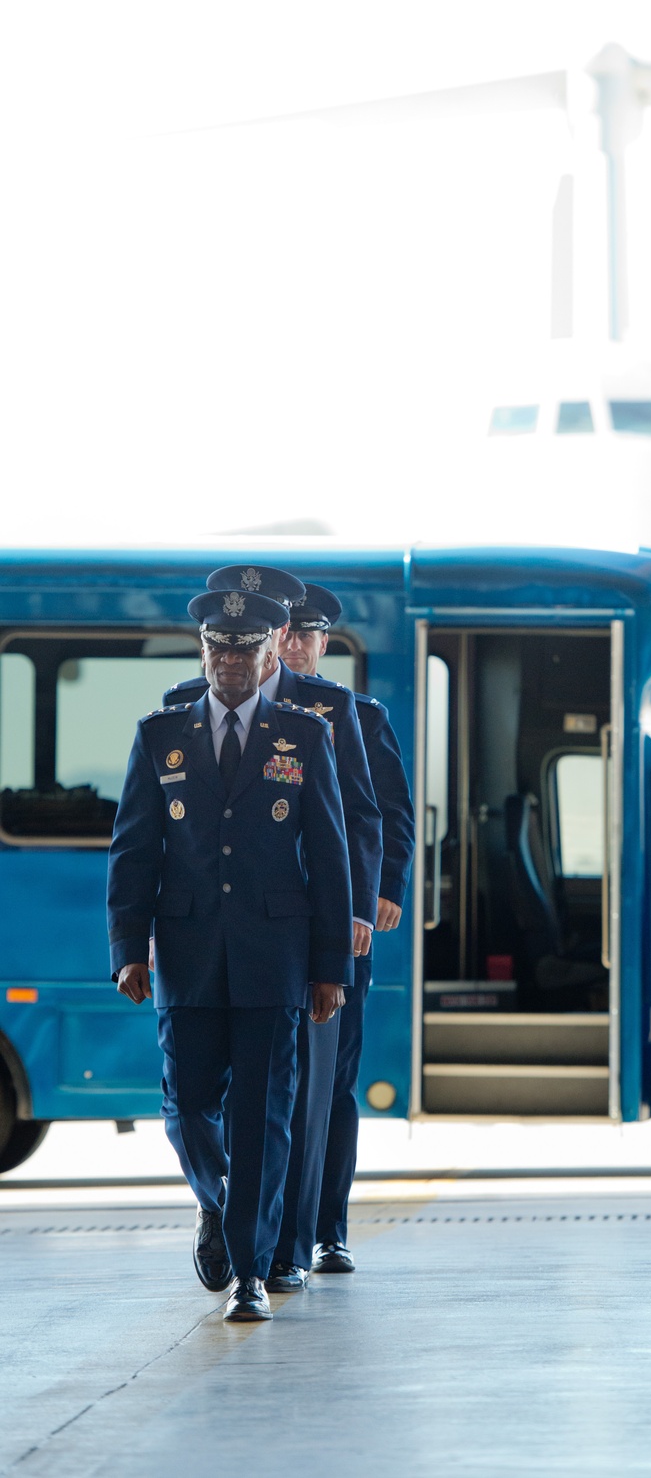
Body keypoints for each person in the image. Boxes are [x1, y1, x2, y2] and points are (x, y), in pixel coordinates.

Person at [108, 586, 355, 1322]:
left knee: (263, 1116)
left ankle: (249, 1273)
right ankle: (219, 1203)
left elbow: (332, 859)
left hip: (273, 959)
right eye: (220, 648)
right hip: (184, 955)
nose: (232, 662)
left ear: (270, 651)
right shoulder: (161, 737)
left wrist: (329, 967)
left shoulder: (303, 737)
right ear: (203, 652)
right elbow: (133, 851)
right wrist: (128, 947)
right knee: (185, 1106)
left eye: (246, 649)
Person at [162, 565, 383, 1291]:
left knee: (293, 1099)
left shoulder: (329, 712)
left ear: (285, 635)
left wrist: (348, 917)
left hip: (295, 939)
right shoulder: (180, 710)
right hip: (200, 947)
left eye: (279, 629)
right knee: (193, 1099)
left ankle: (284, 1249)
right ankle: (226, 1211)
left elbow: (354, 821)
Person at [277, 585, 415, 1276]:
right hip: (265, 925)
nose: (295, 645)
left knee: (331, 1087)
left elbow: (386, 811)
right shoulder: (241, 712)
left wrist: (382, 892)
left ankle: (329, 1226)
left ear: (325, 644)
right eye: (286, 633)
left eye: (309, 636)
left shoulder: (356, 714)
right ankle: (265, 1224)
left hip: (340, 930)